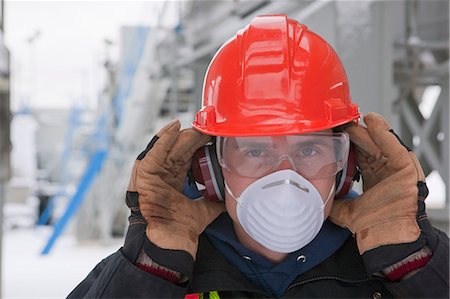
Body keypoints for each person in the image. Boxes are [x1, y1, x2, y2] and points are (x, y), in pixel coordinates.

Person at [68, 14, 449, 298]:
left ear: (346, 167)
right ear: (210, 168)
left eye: (310, 149)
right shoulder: (160, 265)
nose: (285, 175)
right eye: (254, 150)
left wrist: (415, 263)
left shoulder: (394, 263)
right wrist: (149, 272)